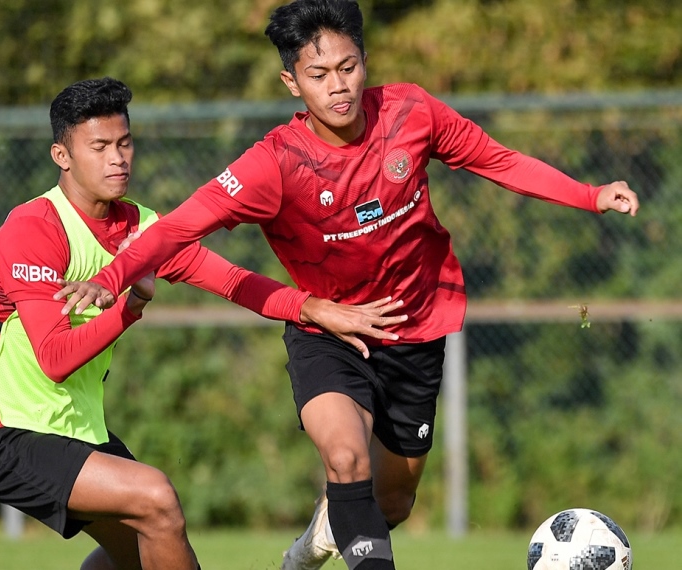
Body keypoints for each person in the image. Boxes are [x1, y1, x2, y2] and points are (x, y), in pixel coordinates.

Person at [55, 2, 641, 568]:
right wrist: (112, 278)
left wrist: (590, 195)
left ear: (364, 62)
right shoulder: (274, 163)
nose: (338, 86)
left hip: (415, 330)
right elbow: (180, 225)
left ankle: (316, 540)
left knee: (393, 502)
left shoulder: (411, 114)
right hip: (329, 330)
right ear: (292, 83)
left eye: (348, 67)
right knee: (344, 457)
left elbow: (497, 159)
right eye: (318, 75)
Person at [0, 76, 408, 570]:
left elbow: (232, 281)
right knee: (158, 499)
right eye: (99, 147)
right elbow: (55, 360)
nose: (117, 158)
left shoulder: (142, 227)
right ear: (62, 156)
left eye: (124, 143)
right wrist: (130, 308)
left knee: (140, 554)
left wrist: (313, 308)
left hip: (71, 426)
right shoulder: (34, 228)